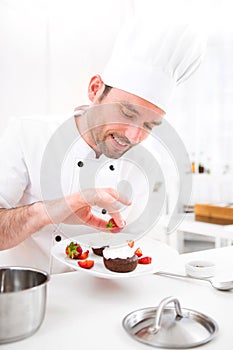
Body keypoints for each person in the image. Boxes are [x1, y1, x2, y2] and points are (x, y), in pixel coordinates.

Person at [0, 19, 206, 272]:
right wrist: (48, 211)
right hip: (30, 296)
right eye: (127, 113)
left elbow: (142, 249)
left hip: (107, 303)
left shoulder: (148, 163)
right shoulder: (27, 134)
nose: (133, 136)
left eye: (149, 126)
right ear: (95, 89)